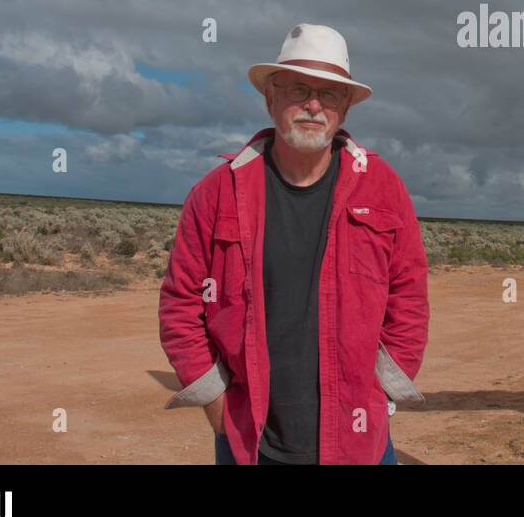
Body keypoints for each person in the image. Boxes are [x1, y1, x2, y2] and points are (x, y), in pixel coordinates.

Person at [158, 23, 429, 464]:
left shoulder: (383, 188)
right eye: (299, 88)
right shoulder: (216, 193)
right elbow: (180, 303)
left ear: (345, 109)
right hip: (250, 440)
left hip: (359, 442)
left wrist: (381, 392)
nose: (314, 105)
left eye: (331, 94)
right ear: (271, 97)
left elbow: (409, 298)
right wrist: (214, 401)